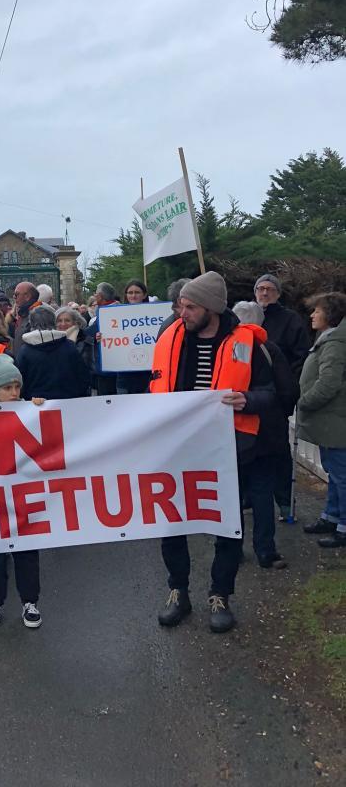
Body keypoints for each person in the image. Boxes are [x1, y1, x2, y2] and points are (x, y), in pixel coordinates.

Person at [150, 271, 274, 633]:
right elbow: (154, 384)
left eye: (189, 307)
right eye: (180, 306)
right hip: (177, 446)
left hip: (228, 449)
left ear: (212, 309)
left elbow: (274, 394)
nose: (181, 313)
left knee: (228, 525)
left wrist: (247, 399)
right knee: (173, 523)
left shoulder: (248, 344)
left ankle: (220, 594)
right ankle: (178, 590)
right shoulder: (170, 335)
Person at [0, 354, 44, 630]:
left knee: (26, 551)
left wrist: (39, 407)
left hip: (23, 495)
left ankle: (30, 602)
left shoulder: (29, 410)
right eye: (7, 388)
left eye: (17, 387)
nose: (14, 393)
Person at [232, 301, 297, 569]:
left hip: (235, 431)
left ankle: (233, 549)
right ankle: (266, 550)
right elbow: (288, 390)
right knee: (262, 491)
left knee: (234, 493)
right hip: (268, 431)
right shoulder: (270, 349)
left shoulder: (230, 350)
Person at [253, 273, 311, 520]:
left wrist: (288, 385)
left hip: (277, 398)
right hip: (250, 399)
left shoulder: (290, 320)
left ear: (277, 293)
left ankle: (285, 502)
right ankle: (250, 498)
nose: (264, 293)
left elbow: (301, 356)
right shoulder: (246, 317)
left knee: (279, 453)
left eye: (269, 289)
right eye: (260, 289)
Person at [299, 292, 346, 549]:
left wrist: (304, 401)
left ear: (330, 313)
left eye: (317, 310)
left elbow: (329, 383)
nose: (312, 315)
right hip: (331, 421)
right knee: (334, 471)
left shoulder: (336, 343)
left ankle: (343, 526)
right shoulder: (330, 339)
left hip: (336, 422)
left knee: (341, 475)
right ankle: (332, 516)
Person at [16, 307, 91, 401]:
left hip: (35, 406)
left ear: (31, 323)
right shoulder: (69, 346)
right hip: (68, 404)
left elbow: (19, 381)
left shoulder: (25, 351)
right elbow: (83, 378)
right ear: (53, 322)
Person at [116, 280, 152, 395]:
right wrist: (101, 337)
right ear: (126, 295)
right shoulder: (116, 314)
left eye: (137, 292)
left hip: (148, 373)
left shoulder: (154, 314)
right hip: (124, 374)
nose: (133, 295)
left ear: (144, 294)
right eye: (130, 292)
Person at [85, 282, 119, 397]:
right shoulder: (107, 310)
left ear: (100, 296)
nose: (94, 296)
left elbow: (88, 334)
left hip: (109, 367)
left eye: (95, 294)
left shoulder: (109, 312)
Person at [55, 306, 94, 375]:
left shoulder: (85, 341)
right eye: (59, 321)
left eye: (67, 320)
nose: (63, 324)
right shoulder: (51, 340)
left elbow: (86, 367)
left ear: (75, 323)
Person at [10, 282, 41, 356]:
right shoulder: (24, 314)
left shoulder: (37, 315)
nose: (14, 297)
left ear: (27, 296)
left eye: (17, 294)